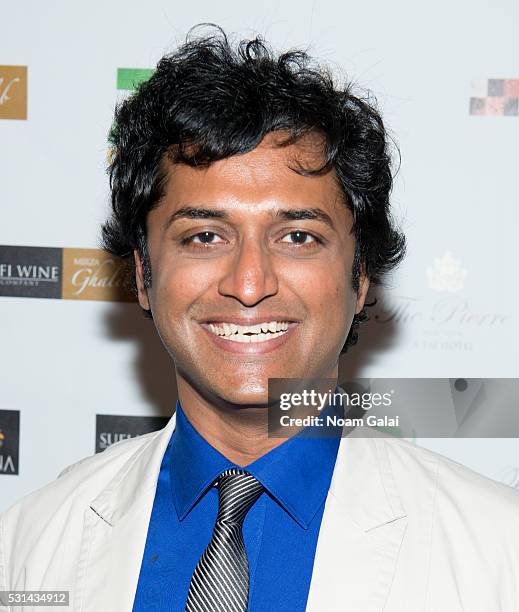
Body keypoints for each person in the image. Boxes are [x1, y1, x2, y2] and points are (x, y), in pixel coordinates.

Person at [1, 25, 519, 612]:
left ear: (361, 274)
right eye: (204, 236)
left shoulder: (499, 554)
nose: (250, 284)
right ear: (144, 274)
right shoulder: (30, 543)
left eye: (298, 236)